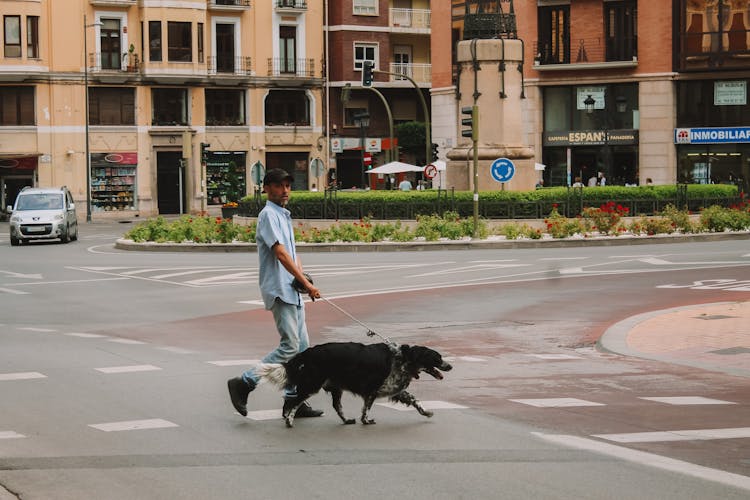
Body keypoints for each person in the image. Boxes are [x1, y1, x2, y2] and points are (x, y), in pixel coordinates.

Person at [227, 168, 324, 420]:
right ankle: (244, 382)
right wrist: (305, 283)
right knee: (290, 345)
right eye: (279, 186)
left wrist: (303, 279)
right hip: (280, 290)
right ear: (267, 188)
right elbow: (280, 254)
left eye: (288, 186)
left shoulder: (283, 215)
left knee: (302, 350)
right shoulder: (268, 215)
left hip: (292, 289)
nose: (285, 191)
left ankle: (293, 400)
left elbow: (293, 253)